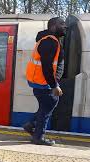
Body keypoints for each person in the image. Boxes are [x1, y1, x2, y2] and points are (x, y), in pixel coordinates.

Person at [23, 17, 67, 146]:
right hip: (43, 82)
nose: (65, 27)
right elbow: (47, 66)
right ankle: (38, 136)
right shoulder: (49, 41)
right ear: (53, 26)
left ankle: (31, 125)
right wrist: (54, 85)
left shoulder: (52, 40)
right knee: (49, 105)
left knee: (46, 106)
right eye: (62, 24)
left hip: (41, 81)